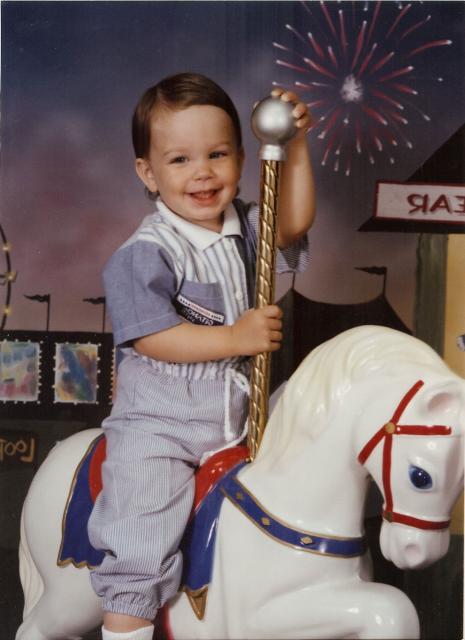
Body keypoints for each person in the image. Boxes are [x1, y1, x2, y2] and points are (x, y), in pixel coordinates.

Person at [88, 72, 316, 640]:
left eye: (217, 154)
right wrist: (234, 339)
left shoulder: (246, 228)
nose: (203, 173)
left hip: (236, 419)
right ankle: (127, 625)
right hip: (161, 426)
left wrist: (294, 146)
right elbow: (153, 336)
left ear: (242, 157)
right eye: (180, 159)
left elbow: (291, 224)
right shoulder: (146, 252)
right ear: (148, 172)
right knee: (141, 542)